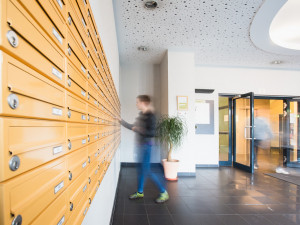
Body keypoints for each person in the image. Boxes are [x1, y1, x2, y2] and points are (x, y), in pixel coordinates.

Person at [119, 95, 169, 203]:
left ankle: (163, 192)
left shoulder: (151, 116)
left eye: (138, 102)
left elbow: (152, 133)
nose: (136, 104)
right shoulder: (142, 115)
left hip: (147, 146)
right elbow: (133, 126)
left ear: (143, 103)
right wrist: (120, 121)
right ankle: (140, 192)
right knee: (141, 170)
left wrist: (138, 129)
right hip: (141, 146)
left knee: (147, 170)